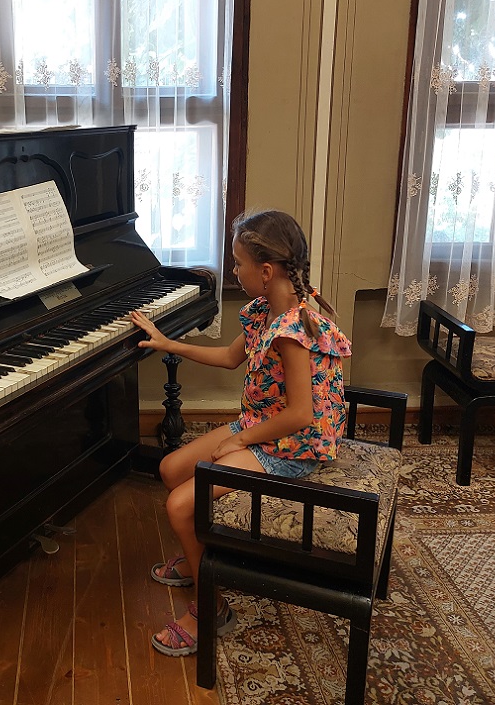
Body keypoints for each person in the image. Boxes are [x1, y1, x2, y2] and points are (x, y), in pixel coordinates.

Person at [130, 209, 352, 657]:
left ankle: (210, 608)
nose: (234, 270)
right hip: (262, 426)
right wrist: (167, 343)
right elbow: (231, 358)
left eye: (238, 264)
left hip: (291, 445)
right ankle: (205, 563)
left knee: (179, 506)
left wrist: (241, 440)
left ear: (266, 271)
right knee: (172, 468)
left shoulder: (291, 330)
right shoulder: (264, 310)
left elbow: (301, 415)